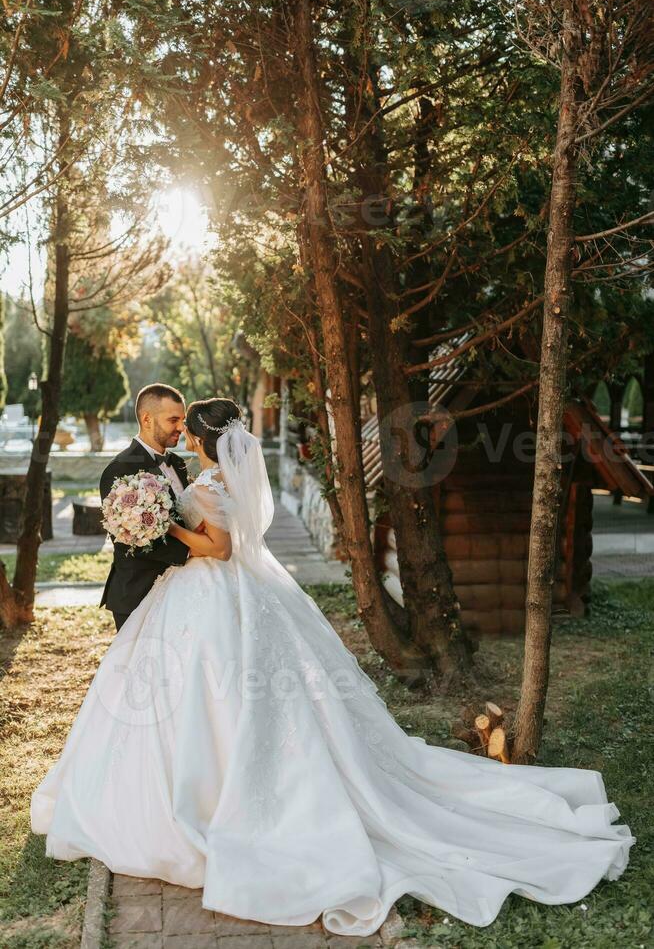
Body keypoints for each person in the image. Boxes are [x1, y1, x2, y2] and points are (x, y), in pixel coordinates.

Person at [30, 397, 634, 937]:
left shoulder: (208, 482)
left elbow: (217, 547)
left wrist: (169, 525)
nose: (181, 432)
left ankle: (201, 798)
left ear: (203, 439)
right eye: (176, 423)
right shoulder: (216, 475)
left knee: (204, 693)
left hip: (208, 587)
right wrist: (167, 518)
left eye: (188, 427)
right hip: (223, 594)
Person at [99, 383, 190, 632]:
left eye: (183, 420)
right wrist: (194, 551)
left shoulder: (179, 464)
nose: (181, 428)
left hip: (181, 592)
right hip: (137, 593)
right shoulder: (119, 470)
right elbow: (129, 540)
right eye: (174, 419)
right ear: (147, 419)